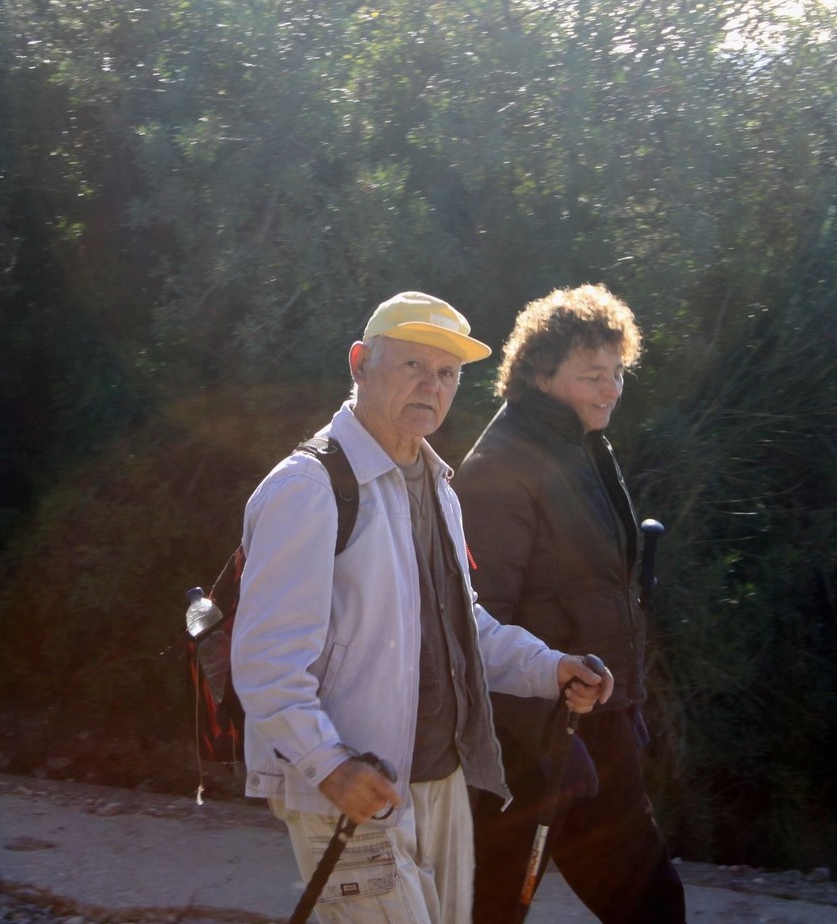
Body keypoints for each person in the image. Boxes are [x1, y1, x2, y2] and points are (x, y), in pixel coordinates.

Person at [232, 290, 614, 924]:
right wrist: (330, 767)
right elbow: (266, 661)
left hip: (440, 783)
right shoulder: (308, 488)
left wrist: (550, 668)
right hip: (351, 788)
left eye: (447, 373)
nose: (431, 386)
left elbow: (462, 628)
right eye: (412, 365)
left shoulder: (437, 487)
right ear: (360, 363)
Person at [454, 284, 686, 924]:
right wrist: (549, 736)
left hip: (595, 724)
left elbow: (599, 594)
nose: (611, 389)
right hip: (531, 742)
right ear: (539, 372)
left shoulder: (583, 449)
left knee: (651, 905)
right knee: (491, 909)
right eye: (592, 374)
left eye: (617, 372)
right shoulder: (502, 466)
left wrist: (625, 704)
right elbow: (476, 626)